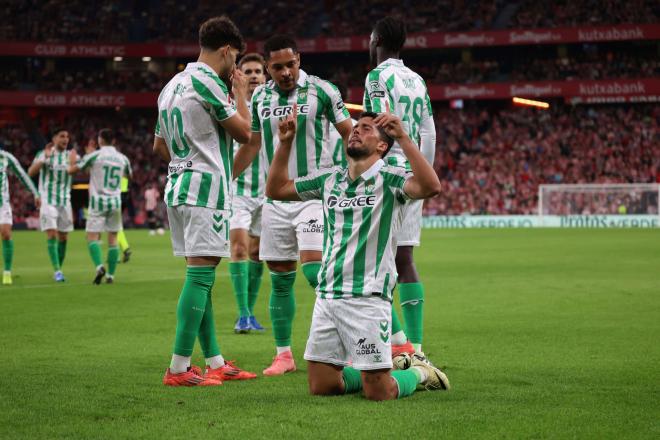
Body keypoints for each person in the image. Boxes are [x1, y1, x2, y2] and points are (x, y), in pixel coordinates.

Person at [266, 107, 449, 400]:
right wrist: (285, 143)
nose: (356, 130)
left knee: (379, 392)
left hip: (368, 297)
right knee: (323, 386)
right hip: (328, 296)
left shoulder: (391, 178)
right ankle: (380, 369)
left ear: (382, 145)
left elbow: (431, 186)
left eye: (366, 129)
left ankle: (420, 372)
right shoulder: (329, 179)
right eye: (355, 127)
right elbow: (275, 188)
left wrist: (403, 138)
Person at [233, 34, 353, 376]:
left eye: (291, 64)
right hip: (276, 198)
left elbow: (349, 134)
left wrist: (358, 174)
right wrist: (225, 178)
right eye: (277, 67)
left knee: (315, 271)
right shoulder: (261, 98)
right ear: (268, 68)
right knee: (281, 277)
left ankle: (344, 342)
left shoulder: (323, 91)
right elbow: (253, 145)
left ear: (299, 60)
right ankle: (284, 355)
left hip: (315, 194)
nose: (285, 72)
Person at [153, 16, 257, 386]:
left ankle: (214, 361)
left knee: (202, 276)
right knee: (200, 277)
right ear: (227, 51)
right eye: (237, 60)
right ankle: (178, 368)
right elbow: (245, 133)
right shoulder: (207, 81)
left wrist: (187, 164)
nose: (236, 67)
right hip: (206, 192)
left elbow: (159, 145)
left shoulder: (171, 86)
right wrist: (242, 93)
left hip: (178, 188)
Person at [363, 17, 437, 355]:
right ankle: (416, 346)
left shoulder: (377, 76)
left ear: (376, 39)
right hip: (415, 175)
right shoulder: (418, 79)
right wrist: (424, 174)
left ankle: (392, 344)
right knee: (404, 259)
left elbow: (379, 127)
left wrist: (373, 169)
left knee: (375, 259)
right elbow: (429, 134)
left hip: (388, 176)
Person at [229, 53, 267, 333]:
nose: (254, 75)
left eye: (258, 71)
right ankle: (242, 315)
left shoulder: (273, 104)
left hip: (267, 191)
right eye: (248, 71)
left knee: (257, 253)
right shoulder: (228, 104)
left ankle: (251, 312)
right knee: (239, 249)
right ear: (238, 75)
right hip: (237, 190)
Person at [68, 128, 131, 284]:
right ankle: (111, 276)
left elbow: (72, 170)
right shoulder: (123, 158)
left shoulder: (95, 156)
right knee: (113, 238)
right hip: (115, 202)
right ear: (114, 141)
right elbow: (129, 175)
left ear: (100, 140)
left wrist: (73, 160)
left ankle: (99, 267)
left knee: (91, 236)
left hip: (98, 203)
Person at [28, 128, 75, 282]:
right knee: (52, 234)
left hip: (65, 201)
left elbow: (81, 170)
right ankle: (57, 271)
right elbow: (30, 172)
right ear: (54, 138)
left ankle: (59, 269)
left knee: (63, 238)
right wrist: (44, 159)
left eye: (67, 136)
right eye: (62, 136)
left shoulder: (71, 156)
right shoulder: (44, 153)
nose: (65, 139)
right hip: (47, 201)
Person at [0, 149, 41, 285]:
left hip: (2, 204)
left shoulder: (5, 156)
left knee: (6, 234)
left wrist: (35, 193)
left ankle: (7, 272)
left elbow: (22, 175)